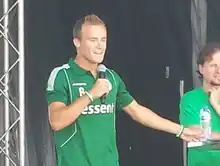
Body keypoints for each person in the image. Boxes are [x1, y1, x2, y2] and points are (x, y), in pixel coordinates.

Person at [46, 14, 200, 166]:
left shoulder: (110, 77)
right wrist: (91, 94)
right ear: (77, 42)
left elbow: (137, 111)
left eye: (103, 40)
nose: (100, 46)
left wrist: (180, 130)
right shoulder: (63, 75)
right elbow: (56, 121)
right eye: (93, 40)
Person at [179, 43, 220, 166]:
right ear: (201, 68)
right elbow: (194, 133)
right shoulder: (190, 98)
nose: (219, 71)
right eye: (213, 65)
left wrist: (216, 105)